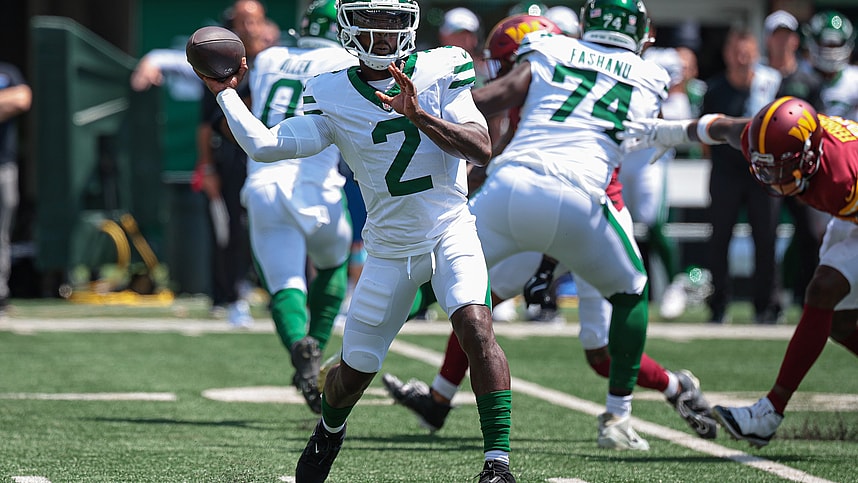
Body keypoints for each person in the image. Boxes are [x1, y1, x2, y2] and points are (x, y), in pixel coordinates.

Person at [198, 0, 515, 481]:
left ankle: (498, 462)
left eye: (391, 20)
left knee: (475, 325)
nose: (382, 32)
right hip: (387, 249)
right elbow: (264, 146)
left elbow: (480, 146)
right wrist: (225, 94)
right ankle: (328, 430)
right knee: (353, 374)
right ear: (347, 26)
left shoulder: (441, 66)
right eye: (371, 20)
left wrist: (420, 116)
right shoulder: (329, 90)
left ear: (408, 24)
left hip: (450, 226)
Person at [383, 11, 716, 448]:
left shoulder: (553, 69)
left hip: (594, 217)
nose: (505, 67)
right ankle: (439, 399)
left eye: (509, 59)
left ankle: (672, 388)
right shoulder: (566, 73)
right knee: (475, 296)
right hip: (554, 209)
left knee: (600, 354)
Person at [618, 95, 858, 448]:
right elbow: (724, 126)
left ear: (809, 156)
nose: (769, 175)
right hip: (847, 212)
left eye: (779, 166)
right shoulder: (771, 140)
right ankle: (769, 413)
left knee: (824, 290)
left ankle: (769, 412)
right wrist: (672, 132)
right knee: (835, 320)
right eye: (764, 164)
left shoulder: (842, 177)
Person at [240, 0, 355, 414]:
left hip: (266, 181)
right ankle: (318, 349)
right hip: (318, 183)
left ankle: (299, 349)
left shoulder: (269, 57)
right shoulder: (344, 58)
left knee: (285, 283)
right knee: (333, 267)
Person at [197, 0, 273, 327]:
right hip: (233, 158)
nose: (250, 28)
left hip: (274, 157)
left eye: (255, 21)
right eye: (243, 21)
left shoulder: (277, 61)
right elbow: (208, 124)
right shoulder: (222, 64)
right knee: (233, 230)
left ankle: (281, 292)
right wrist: (208, 167)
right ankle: (231, 296)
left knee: (277, 225)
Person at [701, 28, 783, 324]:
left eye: (747, 53)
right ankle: (718, 305)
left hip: (761, 174)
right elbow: (706, 137)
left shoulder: (770, 85)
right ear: (726, 55)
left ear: (756, 55)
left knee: (766, 239)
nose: (741, 58)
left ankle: (767, 306)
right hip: (726, 172)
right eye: (736, 52)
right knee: (719, 239)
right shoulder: (715, 90)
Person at [764, 10, 828, 307]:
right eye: (777, 35)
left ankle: (807, 297)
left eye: (787, 35)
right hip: (767, 171)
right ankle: (770, 303)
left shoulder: (808, 79)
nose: (782, 41)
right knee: (766, 234)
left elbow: (820, 124)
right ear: (768, 39)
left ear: (794, 40)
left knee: (808, 234)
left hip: (801, 170)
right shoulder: (760, 78)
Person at [619, 46, 688, 320]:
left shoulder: (676, 100)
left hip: (651, 163)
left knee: (653, 224)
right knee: (620, 225)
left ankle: (674, 284)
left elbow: (669, 123)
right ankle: (627, 287)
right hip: (625, 161)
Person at [0, 62, 31, 316]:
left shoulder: (8, 71)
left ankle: (0, 294)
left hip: (3, 165)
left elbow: (22, 99)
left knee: (2, 233)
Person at [437, 7, 490, 86]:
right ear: (443, 37)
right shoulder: (431, 70)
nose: (463, 41)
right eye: (457, 36)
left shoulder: (488, 71)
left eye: (467, 35)